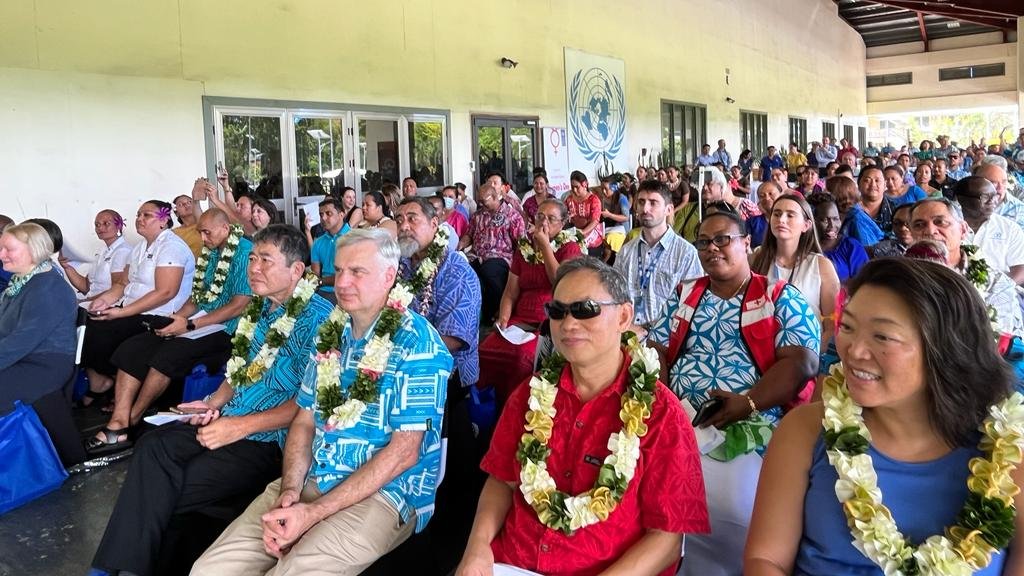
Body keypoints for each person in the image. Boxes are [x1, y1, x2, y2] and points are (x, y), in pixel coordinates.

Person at [191, 228, 453, 575]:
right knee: (208, 570)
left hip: (384, 494)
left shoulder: (418, 342)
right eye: (340, 270)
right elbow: (303, 419)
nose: (343, 282)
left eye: (357, 272)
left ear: (389, 276)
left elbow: (404, 452)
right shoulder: (333, 332)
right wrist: (290, 491)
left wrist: (312, 514)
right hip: (314, 476)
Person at [745, 258, 1024, 575]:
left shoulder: (1008, 451)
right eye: (848, 327)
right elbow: (765, 561)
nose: (853, 350)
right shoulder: (806, 431)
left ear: (946, 348)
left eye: (882, 336)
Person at [90, 224, 332, 576]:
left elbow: (306, 407)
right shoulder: (260, 311)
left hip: (266, 440)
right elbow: (238, 375)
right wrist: (211, 403)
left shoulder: (320, 322)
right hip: (228, 419)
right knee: (153, 444)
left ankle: (118, 569)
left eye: (266, 260)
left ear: (297, 270)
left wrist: (237, 426)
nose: (254, 268)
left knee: (168, 491)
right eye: (251, 258)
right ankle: (124, 568)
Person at [456, 257, 710, 576]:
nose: (568, 323)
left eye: (585, 309)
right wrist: (477, 548)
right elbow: (502, 482)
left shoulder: (662, 414)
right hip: (512, 562)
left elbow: (667, 538)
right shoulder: (528, 395)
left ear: (623, 316)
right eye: (557, 312)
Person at [649, 211, 820, 576]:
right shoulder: (686, 293)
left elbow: (801, 362)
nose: (712, 248)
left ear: (746, 243)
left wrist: (749, 402)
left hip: (750, 424)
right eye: (704, 242)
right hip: (679, 421)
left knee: (731, 507)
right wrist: (663, 397)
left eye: (723, 239)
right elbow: (658, 348)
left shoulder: (778, 295)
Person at [86, 209, 254, 454]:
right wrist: (177, 318)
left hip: (227, 329)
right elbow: (197, 298)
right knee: (134, 347)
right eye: (200, 233)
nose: (203, 239)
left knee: (169, 354)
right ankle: (118, 421)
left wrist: (190, 325)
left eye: (207, 232)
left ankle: (132, 419)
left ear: (226, 228)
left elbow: (239, 304)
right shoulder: (210, 253)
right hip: (197, 321)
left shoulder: (245, 253)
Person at [80, 200, 196, 409]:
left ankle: (117, 388)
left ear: (164, 220)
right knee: (85, 324)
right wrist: (103, 301)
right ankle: (109, 384)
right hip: (132, 309)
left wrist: (122, 312)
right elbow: (123, 283)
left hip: (158, 314)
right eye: (138, 215)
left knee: (99, 334)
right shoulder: (139, 248)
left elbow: (165, 292)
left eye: (147, 215)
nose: (140, 219)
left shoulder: (172, 247)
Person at [479, 198, 583, 403]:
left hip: (548, 322)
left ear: (562, 224)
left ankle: (517, 407)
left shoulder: (569, 247)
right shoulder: (525, 246)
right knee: (486, 348)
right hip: (519, 320)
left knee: (522, 358)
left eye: (551, 218)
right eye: (540, 216)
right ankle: (488, 408)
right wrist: (504, 319)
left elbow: (559, 282)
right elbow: (510, 291)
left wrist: (545, 247)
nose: (543, 222)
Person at [0, 222, 83, 466]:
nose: (1, 255)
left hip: (44, 364)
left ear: (34, 250)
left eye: (8, 249)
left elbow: (20, 341)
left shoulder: (48, 286)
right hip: (26, 356)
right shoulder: (21, 282)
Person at [395, 197, 481, 391]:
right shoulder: (401, 263)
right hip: (402, 362)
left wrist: (397, 352)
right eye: (398, 220)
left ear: (434, 224)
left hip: (444, 372)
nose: (403, 226)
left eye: (412, 219)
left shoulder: (457, 272)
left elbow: (453, 339)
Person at [910, 197, 1024, 336]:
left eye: (940, 222)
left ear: (963, 230)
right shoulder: (896, 278)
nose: (930, 231)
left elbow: (1001, 340)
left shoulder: (996, 283)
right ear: (911, 234)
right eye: (919, 225)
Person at [752, 194, 840, 359]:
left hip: (807, 356)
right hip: (760, 353)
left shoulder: (820, 265)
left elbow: (832, 323)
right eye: (776, 214)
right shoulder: (756, 258)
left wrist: (813, 356)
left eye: (790, 215)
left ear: (806, 225)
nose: (782, 219)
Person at [615, 180, 702, 335]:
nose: (645, 208)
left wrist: (652, 331)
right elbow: (615, 295)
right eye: (641, 202)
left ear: (669, 209)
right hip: (629, 335)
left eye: (653, 203)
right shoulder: (626, 252)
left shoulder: (686, 254)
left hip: (669, 340)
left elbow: (693, 306)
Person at [459, 183, 527, 324]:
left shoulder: (512, 215)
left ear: (495, 197)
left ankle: (498, 310)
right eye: (479, 201)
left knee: (489, 271)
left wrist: (519, 265)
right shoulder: (478, 216)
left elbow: (522, 243)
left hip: (500, 256)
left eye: (484, 201)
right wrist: (461, 244)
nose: (481, 204)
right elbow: (469, 235)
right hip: (477, 255)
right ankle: (473, 315)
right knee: (463, 271)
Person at [955, 176, 1024, 284]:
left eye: (995, 195)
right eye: (985, 196)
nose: (993, 201)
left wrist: (998, 289)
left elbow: (1021, 268)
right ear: (962, 199)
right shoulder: (947, 227)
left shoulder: (1010, 228)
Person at [59, 209, 133, 303]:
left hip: (107, 306)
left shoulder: (123, 251)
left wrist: (86, 301)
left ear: (118, 226)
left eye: (106, 223)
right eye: (97, 225)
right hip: (91, 302)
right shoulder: (103, 252)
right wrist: (68, 267)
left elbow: (117, 290)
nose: (100, 228)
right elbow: (86, 287)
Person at [810, 197, 869, 282]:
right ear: (812, 221)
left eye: (835, 219)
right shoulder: (805, 248)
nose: (832, 225)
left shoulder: (851, 246)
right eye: (825, 220)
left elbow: (863, 282)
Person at [310, 197, 351, 302]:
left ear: (341, 214)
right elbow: (315, 274)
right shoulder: (318, 242)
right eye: (321, 215)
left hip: (346, 290)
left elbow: (348, 275)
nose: (323, 218)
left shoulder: (353, 239)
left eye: (329, 214)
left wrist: (320, 282)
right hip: (322, 291)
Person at [565, 170, 604, 257]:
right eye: (572, 187)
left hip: (591, 235)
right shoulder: (569, 199)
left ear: (585, 184)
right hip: (575, 233)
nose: (574, 190)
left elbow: (595, 221)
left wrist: (583, 232)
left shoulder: (594, 200)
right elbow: (563, 215)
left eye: (577, 187)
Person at [600, 176, 631, 259]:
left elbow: (626, 217)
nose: (603, 191)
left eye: (606, 188)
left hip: (622, 229)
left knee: (609, 240)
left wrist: (610, 215)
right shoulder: (603, 199)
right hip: (609, 228)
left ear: (613, 188)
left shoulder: (622, 198)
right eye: (602, 188)